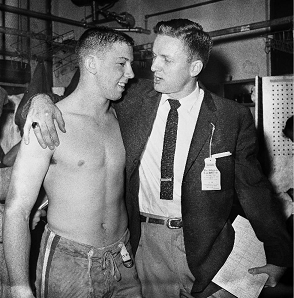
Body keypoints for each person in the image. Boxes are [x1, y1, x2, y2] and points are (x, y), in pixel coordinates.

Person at [21, 19, 292, 298]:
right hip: (145, 245)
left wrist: (279, 254)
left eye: (166, 59)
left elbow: (254, 189)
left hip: (207, 247)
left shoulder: (230, 117)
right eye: (154, 56)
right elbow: (82, 90)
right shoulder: (131, 98)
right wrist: (39, 100)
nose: (153, 67)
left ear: (194, 68)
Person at [3, 27, 143, 298]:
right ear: (91, 64)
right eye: (121, 64)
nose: (131, 74)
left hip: (121, 258)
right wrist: (18, 286)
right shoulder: (47, 123)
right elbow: (16, 209)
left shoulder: (120, 118)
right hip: (69, 262)